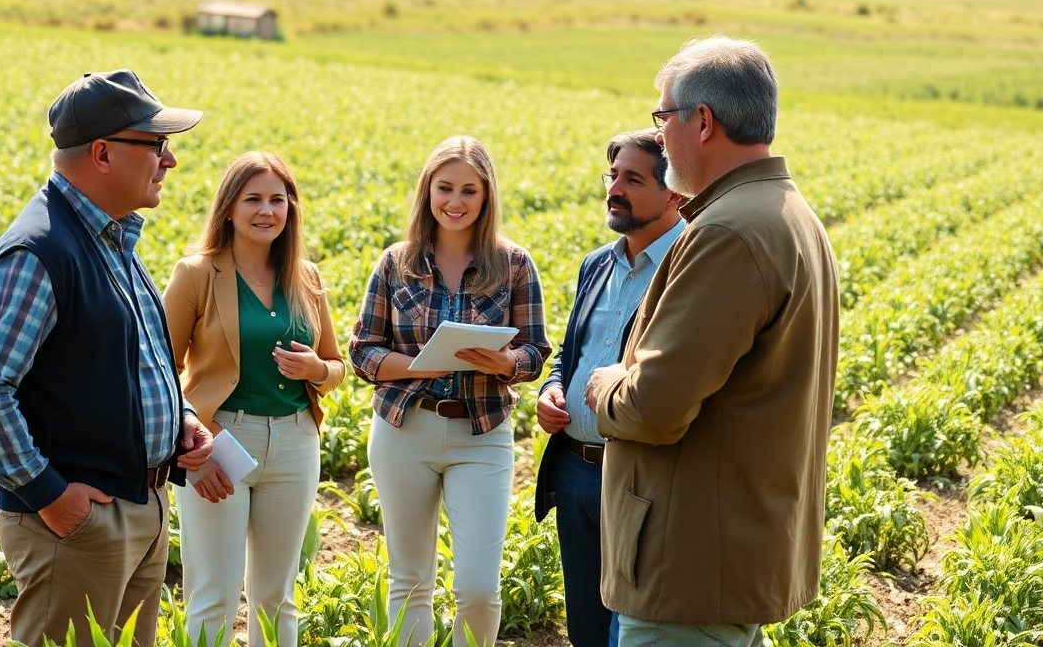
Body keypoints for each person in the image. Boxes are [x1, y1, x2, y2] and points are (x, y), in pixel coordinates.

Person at [585, 36, 839, 647]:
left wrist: (603, 385)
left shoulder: (727, 231)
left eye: (663, 118)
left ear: (702, 122)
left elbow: (653, 408)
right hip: (728, 554)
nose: (660, 135)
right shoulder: (785, 212)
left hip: (690, 564)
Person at [0, 69, 215, 647]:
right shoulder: (39, 251)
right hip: (81, 520)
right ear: (102, 153)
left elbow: (132, 362)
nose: (168, 161)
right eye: (157, 146)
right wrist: (49, 495)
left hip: (137, 503)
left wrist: (179, 423)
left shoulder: (109, 237)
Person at [350, 136, 551, 647]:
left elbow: (536, 352)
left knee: (478, 587)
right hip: (404, 429)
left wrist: (507, 362)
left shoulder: (514, 265)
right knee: (410, 580)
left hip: (481, 431)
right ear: (428, 191)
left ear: (486, 197)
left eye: (469, 190)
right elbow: (363, 351)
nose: (455, 202)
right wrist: (423, 364)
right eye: (445, 188)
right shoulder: (396, 263)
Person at [163, 151, 347, 647]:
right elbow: (159, 368)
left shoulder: (305, 278)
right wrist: (190, 453)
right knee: (214, 593)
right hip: (220, 440)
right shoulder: (197, 273)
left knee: (277, 595)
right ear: (228, 208)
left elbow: (336, 367)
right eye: (253, 199)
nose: (267, 210)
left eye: (277, 199)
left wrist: (316, 369)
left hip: (294, 441)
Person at [534, 128, 683, 647]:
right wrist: (553, 392)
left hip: (637, 475)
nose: (614, 188)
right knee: (587, 628)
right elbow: (571, 354)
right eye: (613, 175)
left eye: (633, 179)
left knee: (632, 628)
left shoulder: (688, 267)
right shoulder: (597, 263)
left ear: (675, 193)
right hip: (574, 467)